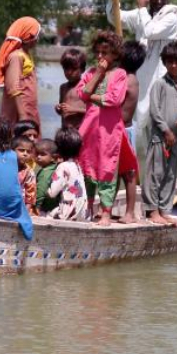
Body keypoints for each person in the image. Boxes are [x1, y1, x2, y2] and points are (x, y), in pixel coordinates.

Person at [106, 0, 177, 148]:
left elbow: (150, 31)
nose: (158, 1)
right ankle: (139, 171)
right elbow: (116, 18)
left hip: (162, 80)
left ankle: (161, 171)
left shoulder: (171, 18)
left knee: (160, 129)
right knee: (140, 128)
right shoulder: (143, 15)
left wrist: (142, 8)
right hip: (141, 79)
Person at [76, 31, 128, 226]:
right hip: (89, 130)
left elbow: (114, 99)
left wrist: (93, 96)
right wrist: (97, 74)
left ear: (115, 54)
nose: (100, 57)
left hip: (109, 131)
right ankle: (88, 208)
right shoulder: (91, 73)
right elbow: (82, 93)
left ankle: (106, 212)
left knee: (107, 169)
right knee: (86, 167)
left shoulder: (120, 74)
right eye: (97, 52)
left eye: (105, 52)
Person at [143, 41, 177, 227]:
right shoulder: (160, 84)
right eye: (170, 61)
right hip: (160, 138)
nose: (174, 65)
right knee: (155, 173)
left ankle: (165, 210)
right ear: (164, 63)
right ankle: (152, 211)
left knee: (171, 175)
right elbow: (155, 111)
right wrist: (166, 130)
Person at [116, 40, 146, 223]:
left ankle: (130, 213)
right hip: (119, 129)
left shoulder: (128, 81)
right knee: (116, 172)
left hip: (124, 130)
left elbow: (111, 100)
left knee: (129, 173)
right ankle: (110, 209)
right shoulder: (130, 78)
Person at [0, 17, 41, 128]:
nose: (38, 39)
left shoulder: (25, 54)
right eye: (37, 35)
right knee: (20, 143)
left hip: (29, 111)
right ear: (30, 36)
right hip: (19, 115)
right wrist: (23, 117)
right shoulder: (16, 56)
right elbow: (14, 88)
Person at [46, 127, 89, 221]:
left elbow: (52, 193)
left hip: (69, 213)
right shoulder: (77, 166)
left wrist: (43, 188)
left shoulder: (63, 167)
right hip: (83, 213)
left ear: (58, 148)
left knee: (46, 215)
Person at [55, 47, 88, 130]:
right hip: (65, 130)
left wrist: (73, 109)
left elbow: (93, 111)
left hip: (80, 130)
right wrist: (58, 109)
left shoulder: (87, 87)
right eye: (66, 68)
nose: (69, 72)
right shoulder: (63, 87)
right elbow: (63, 111)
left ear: (82, 69)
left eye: (73, 69)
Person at [34, 138, 60, 214]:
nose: (38, 157)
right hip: (55, 207)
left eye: (42, 154)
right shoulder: (56, 168)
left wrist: (36, 207)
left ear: (53, 157)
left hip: (46, 209)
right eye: (37, 154)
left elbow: (41, 191)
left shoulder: (45, 172)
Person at [14, 135, 38, 215]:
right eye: (21, 150)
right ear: (12, 151)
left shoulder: (29, 172)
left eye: (28, 151)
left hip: (22, 209)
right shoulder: (6, 168)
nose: (25, 154)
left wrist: (25, 213)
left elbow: (30, 196)